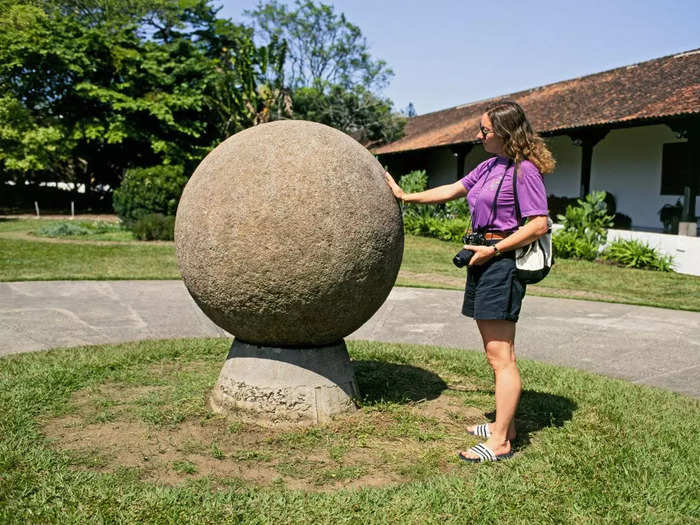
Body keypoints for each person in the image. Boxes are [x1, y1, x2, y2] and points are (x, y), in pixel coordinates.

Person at [384, 101, 555, 462]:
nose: (479, 136)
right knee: (495, 354)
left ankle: (501, 443)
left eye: (485, 131)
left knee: (501, 357)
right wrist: (405, 196)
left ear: (506, 133)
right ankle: (503, 426)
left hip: (501, 264)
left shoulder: (525, 172)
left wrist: (494, 252)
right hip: (482, 257)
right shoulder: (490, 165)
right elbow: (452, 189)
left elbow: (539, 223)